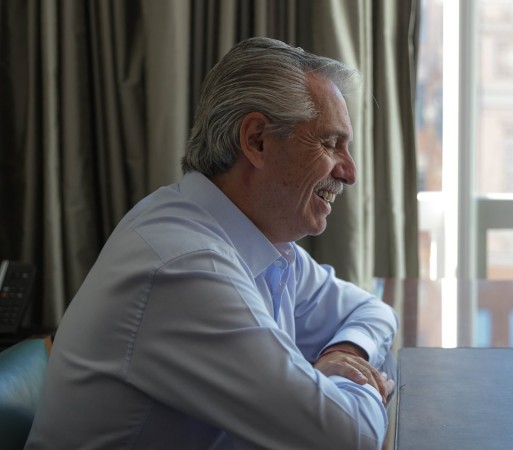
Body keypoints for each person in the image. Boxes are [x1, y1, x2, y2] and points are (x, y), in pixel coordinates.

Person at [25, 37, 397, 450]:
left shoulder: (255, 239)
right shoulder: (184, 266)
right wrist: (360, 382)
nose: (350, 172)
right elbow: (350, 438)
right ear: (256, 140)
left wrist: (346, 353)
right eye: (329, 143)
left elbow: (372, 310)